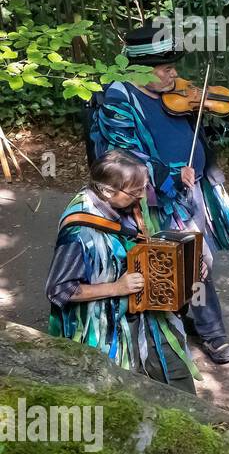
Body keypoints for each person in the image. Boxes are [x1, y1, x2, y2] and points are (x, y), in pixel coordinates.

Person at [90, 24, 229, 364]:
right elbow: (121, 154)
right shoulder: (118, 97)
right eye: (165, 68)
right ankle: (211, 334)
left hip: (193, 189)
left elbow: (200, 125)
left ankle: (192, 318)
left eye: (173, 66)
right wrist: (168, 172)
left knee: (194, 261)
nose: (174, 73)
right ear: (140, 68)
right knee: (194, 262)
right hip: (155, 199)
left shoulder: (176, 95)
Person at [46, 150, 199, 393]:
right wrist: (117, 288)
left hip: (148, 313)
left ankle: (194, 426)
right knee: (123, 388)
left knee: (176, 372)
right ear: (107, 191)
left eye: (144, 188)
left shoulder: (129, 204)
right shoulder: (79, 231)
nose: (142, 196)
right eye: (135, 191)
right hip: (106, 329)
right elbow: (58, 290)